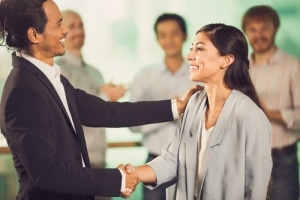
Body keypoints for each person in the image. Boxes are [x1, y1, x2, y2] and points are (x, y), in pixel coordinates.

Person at [0, 0, 201, 199]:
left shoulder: (52, 79)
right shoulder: (23, 91)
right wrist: (119, 179)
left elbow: (108, 112)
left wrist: (176, 107)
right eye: (58, 24)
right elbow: (47, 173)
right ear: (34, 34)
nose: (65, 31)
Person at [124, 23, 273, 200]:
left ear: (226, 60)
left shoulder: (249, 115)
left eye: (199, 49)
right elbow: (173, 160)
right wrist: (133, 173)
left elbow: (255, 190)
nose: (189, 56)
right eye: (192, 48)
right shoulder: (194, 103)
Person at [55, 10, 127, 200]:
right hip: (77, 166)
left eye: (81, 25)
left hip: (100, 162)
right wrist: (105, 95)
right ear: (62, 31)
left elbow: (102, 111)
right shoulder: (59, 72)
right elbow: (73, 111)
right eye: (72, 26)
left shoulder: (95, 73)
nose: (78, 31)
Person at [129, 13, 195, 200]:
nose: (169, 40)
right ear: (157, 39)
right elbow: (134, 126)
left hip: (193, 161)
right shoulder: (144, 76)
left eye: (174, 33)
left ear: (184, 35)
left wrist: (186, 113)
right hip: (155, 162)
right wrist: (168, 112)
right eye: (163, 35)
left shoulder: (200, 74)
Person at [241, 5, 300, 200]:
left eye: (265, 28)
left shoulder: (293, 66)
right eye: (252, 29)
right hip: (244, 158)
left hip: (281, 160)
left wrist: (267, 111)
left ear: (275, 28)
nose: (259, 35)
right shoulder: (240, 69)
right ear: (246, 33)